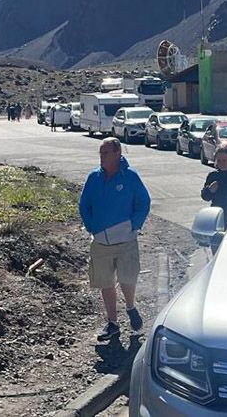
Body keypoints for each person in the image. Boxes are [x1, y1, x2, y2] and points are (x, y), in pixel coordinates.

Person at [79, 137, 151, 340]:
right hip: (101, 240)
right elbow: (84, 204)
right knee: (105, 282)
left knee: (127, 277)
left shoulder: (130, 176)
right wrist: (91, 227)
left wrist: (134, 225)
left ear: (118, 153)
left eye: (106, 153)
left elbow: (143, 202)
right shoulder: (94, 177)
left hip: (126, 239)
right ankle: (112, 323)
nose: (102, 157)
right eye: (100, 153)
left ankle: (130, 306)